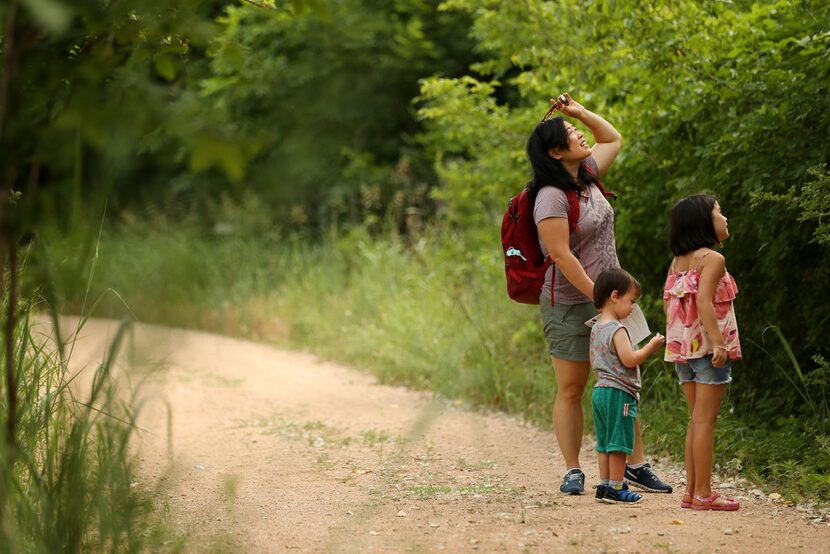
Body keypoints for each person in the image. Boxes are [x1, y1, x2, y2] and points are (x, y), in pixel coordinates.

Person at [527, 93, 672, 495]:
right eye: (572, 133)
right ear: (556, 152)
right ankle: (573, 470)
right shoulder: (550, 197)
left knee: (623, 380)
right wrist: (600, 299)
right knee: (572, 387)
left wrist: (578, 112)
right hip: (572, 303)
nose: (580, 135)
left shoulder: (587, 175)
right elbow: (559, 254)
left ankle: (634, 466)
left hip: (612, 299)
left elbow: (612, 139)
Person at [664, 193, 741, 511]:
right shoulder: (712, 259)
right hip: (709, 351)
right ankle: (704, 493)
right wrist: (718, 343)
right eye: (719, 213)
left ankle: (692, 492)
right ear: (703, 223)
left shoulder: (678, 261)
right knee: (705, 422)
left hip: (683, 350)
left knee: (696, 421)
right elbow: (704, 302)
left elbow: (668, 302)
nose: (725, 219)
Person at [590, 269, 666, 503]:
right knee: (619, 443)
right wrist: (650, 347)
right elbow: (629, 359)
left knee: (604, 443)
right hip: (618, 392)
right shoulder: (617, 329)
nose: (633, 307)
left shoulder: (595, 328)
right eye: (631, 301)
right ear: (614, 296)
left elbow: (593, 361)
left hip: (600, 391)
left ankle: (604, 486)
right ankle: (616, 487)